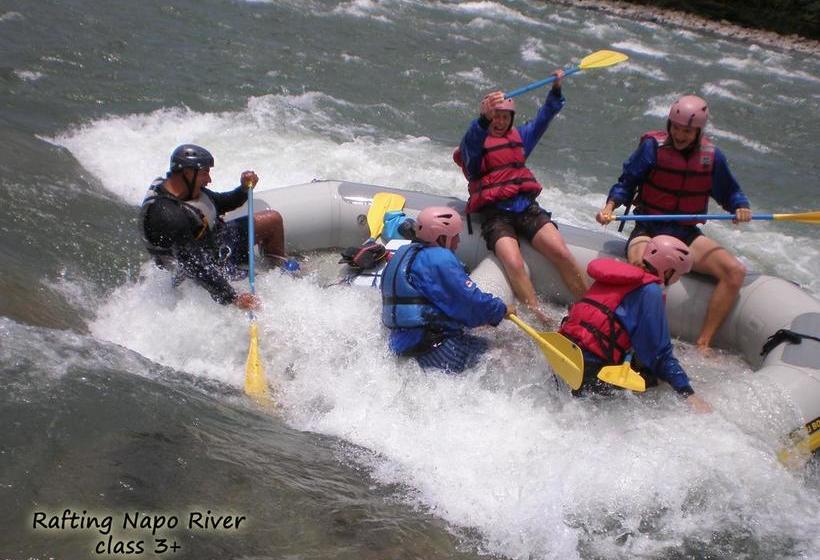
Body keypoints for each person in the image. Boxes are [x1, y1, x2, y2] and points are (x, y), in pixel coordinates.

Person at [596, 95, 752, 352]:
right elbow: (627, 182)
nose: (680, 135)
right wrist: (609, 207)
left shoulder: (712, 157)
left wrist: (740, 207)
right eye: (676, 128)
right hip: (648, 228)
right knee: (641, 266)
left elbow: (730, 192)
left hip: (685, 234)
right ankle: (628, 332)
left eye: (687, 131)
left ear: (699, 131)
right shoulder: (652, 148)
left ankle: (703, 343)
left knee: (735, 271)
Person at [453, 69, 588, 326]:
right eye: (495, 117)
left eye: (505, 117)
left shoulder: (521, 138)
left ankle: (588, 304)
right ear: (487, 117)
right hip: (495, 215)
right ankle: (536, 314)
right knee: (513, 261)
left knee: (561, 251)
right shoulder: (475, 145)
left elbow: (544, 118)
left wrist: (556, 90)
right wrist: (482, 119)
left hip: (526, 208)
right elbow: (471, 141)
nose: (500, 121)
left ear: (511, 119)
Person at [559, 236, 712, 412]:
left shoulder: (617, 276)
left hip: (564, 351)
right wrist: (687, 392)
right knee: (656, 379)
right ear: (668, 270)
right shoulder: (650, 291)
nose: (677, 280)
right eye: (678, 274)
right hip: (589, 368)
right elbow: (658, 354)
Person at [140, 144, 291, 310]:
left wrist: (243, 189)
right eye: (205, 173)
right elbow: (194, 264)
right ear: (188, 173)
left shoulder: (186, 189)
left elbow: (222, 202)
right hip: (196, 272)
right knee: (262, 285)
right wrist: (233, 297)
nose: (209, 180)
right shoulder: (168, 216)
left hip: (216, 243)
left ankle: (277, 267)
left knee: (272, 220)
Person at [381, 206, 513, 373]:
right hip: (436, 350)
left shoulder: (403, 253)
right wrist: (501, 310)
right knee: (506, 353)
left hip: (401, 346)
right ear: (441, 237)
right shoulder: (438, 259)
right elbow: (471, 304)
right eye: (455, 236)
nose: (458, 241)